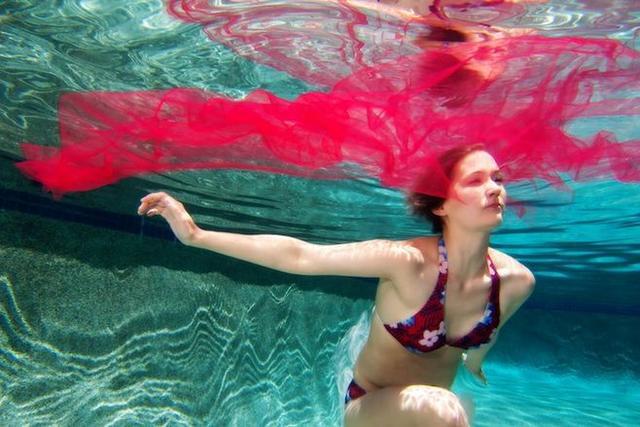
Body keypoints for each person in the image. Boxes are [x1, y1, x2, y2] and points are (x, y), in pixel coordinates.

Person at [137, 143, 535, 426]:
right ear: (441, 204)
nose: (495, 188)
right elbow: (301, 256)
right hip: (370, 408)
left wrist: (475, 364)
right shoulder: (407, 263)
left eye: (498, 178)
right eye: (475, 180)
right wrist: (196, 235)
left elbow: (486, 334)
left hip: (429, 418)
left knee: (445, 410)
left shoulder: (516, 282)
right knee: (444, 409)